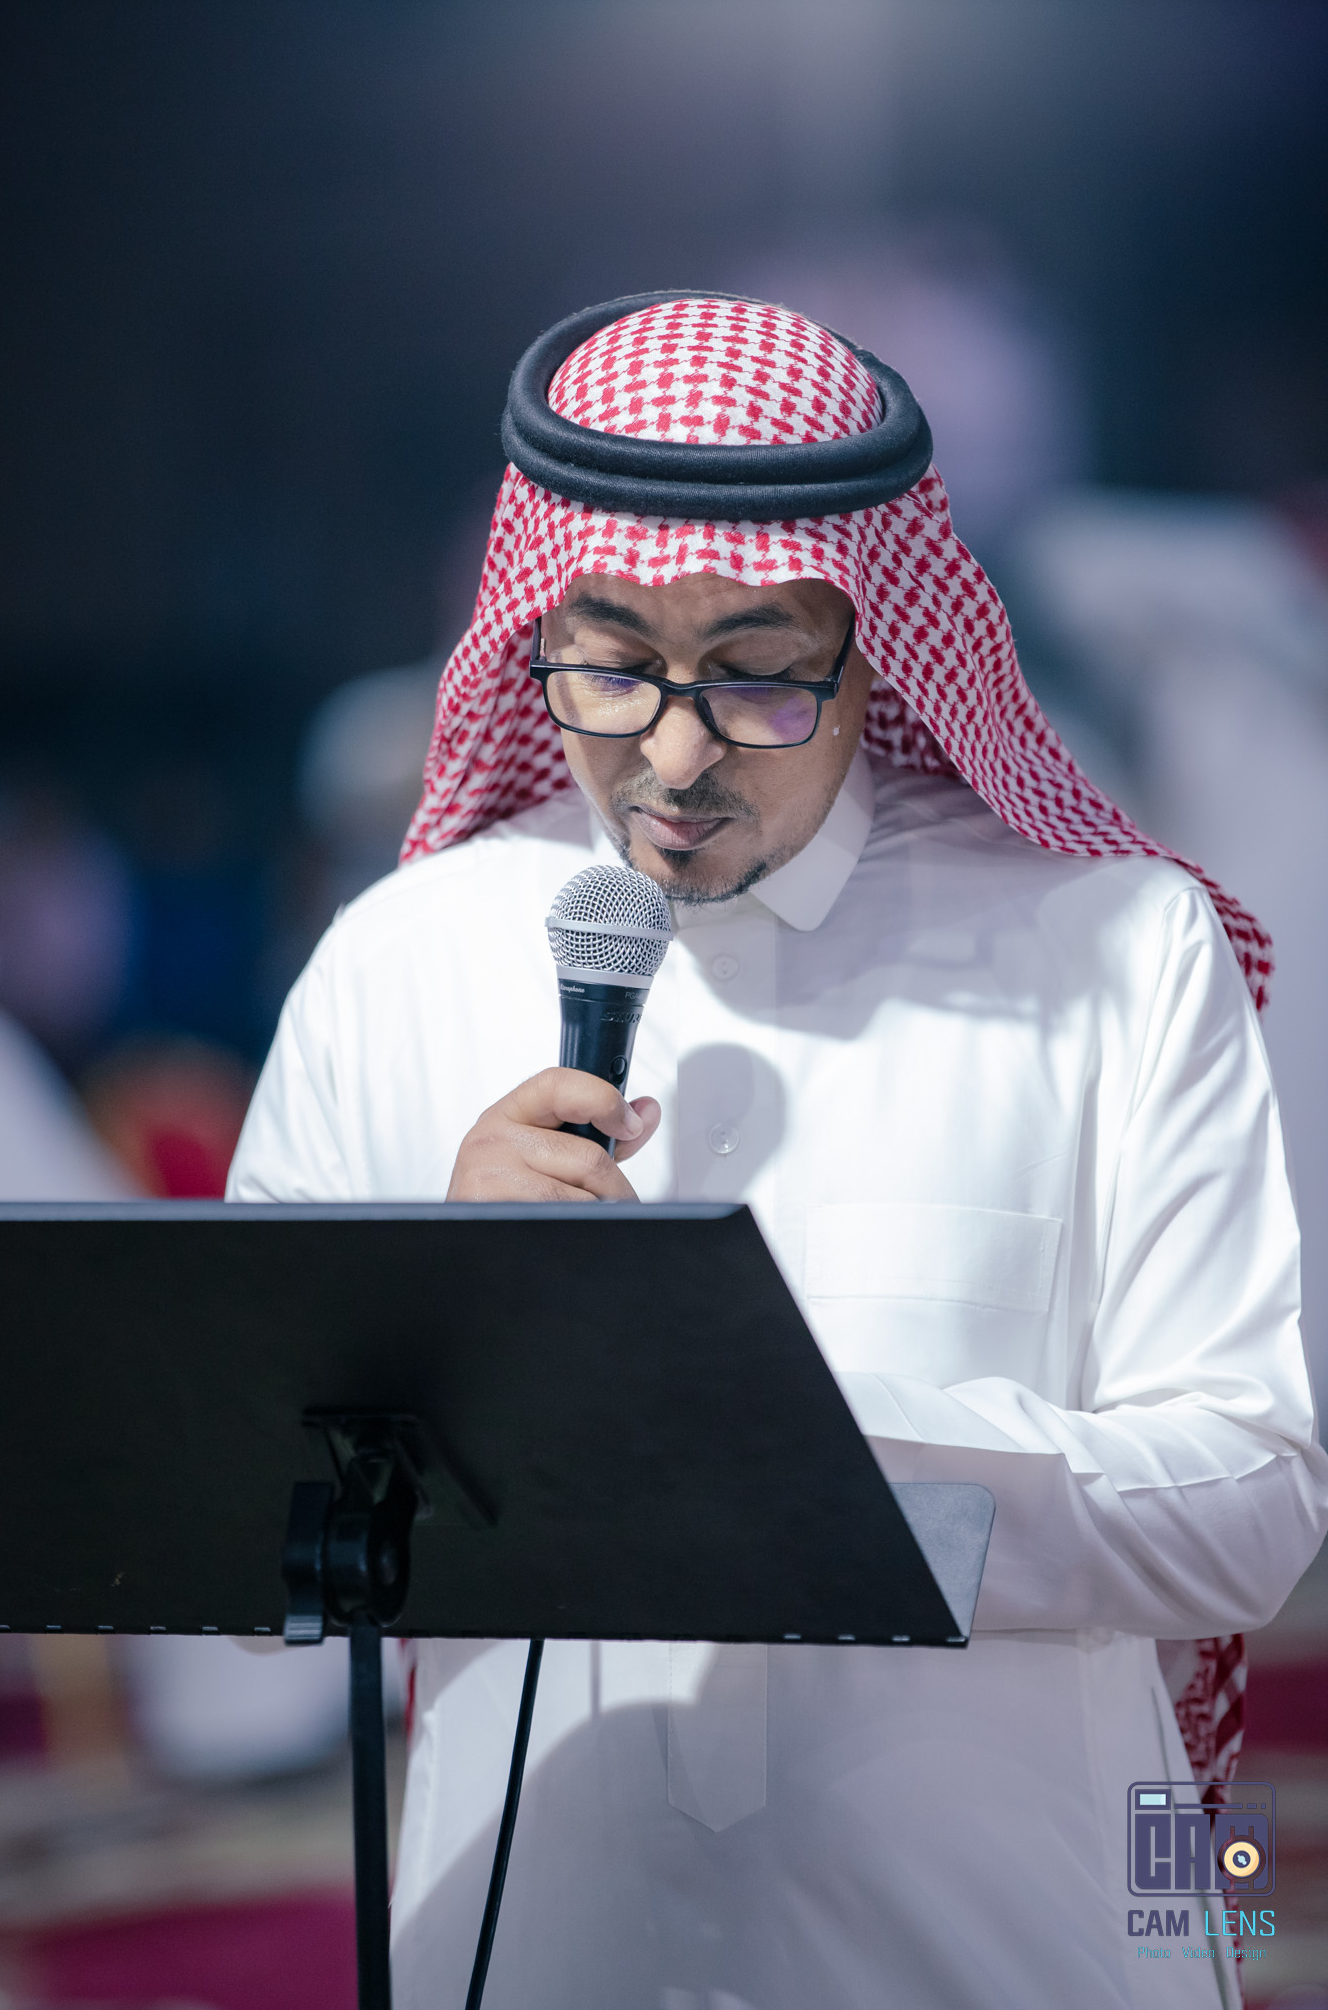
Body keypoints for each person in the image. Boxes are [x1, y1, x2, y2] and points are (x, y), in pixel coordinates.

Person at [228, 293, 1328, 2010]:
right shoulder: (401, 958)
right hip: (534, 1945)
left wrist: (809, 1460)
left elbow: (1246, 1513)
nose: (670, 756)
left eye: (752, 674)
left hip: (996, 1948)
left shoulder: (1114, 951)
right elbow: (240, 1547)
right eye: (608, 665)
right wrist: (430, 1313)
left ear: (872, 642)